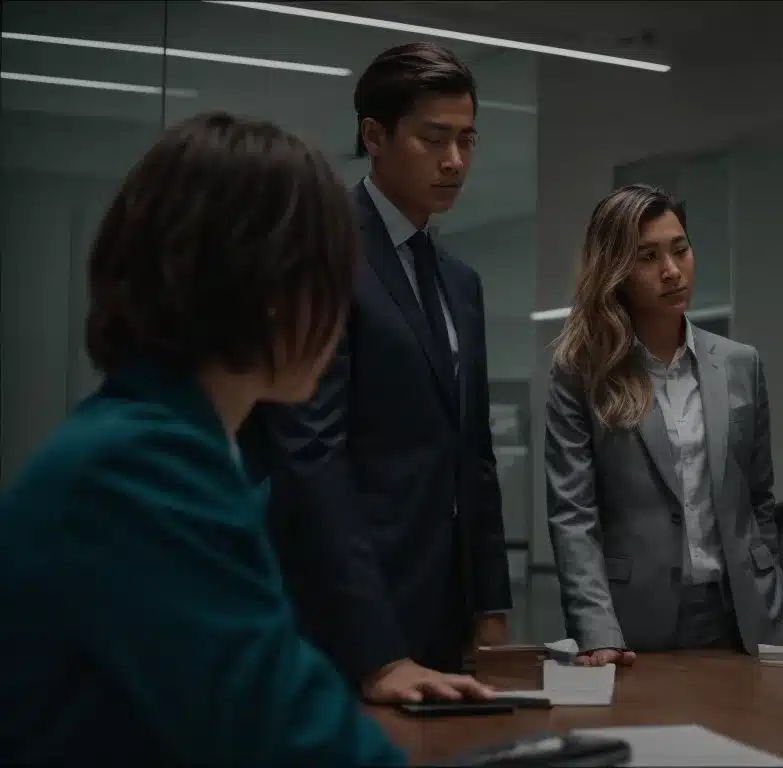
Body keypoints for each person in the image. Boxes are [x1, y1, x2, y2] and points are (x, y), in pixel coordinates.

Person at [0, 113, 403, 764]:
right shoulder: (142, 468)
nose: (343, 311)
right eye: (334, 279)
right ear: (272, 286)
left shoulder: (158, 444)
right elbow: (288, 741)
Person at [239, 41, 507, 703]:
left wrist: (490, 604)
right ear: (374, 136)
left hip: (445, 616)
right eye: (433, 139)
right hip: (349, 620)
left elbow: (473, 455)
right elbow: (310, 456)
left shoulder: (460, 282)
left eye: (467, 140)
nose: (455, 161)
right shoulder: (324, 253)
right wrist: (377, 653)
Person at [546, 184, 783, 664]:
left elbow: (759, 499)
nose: (671, 270)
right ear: (617, 271)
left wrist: (764, 578)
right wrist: (595, 627)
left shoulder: (739, 363)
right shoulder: (584, 373)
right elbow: (572, 515)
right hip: (635, 620)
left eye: (680, 250)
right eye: (647, 257)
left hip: (749, 613)